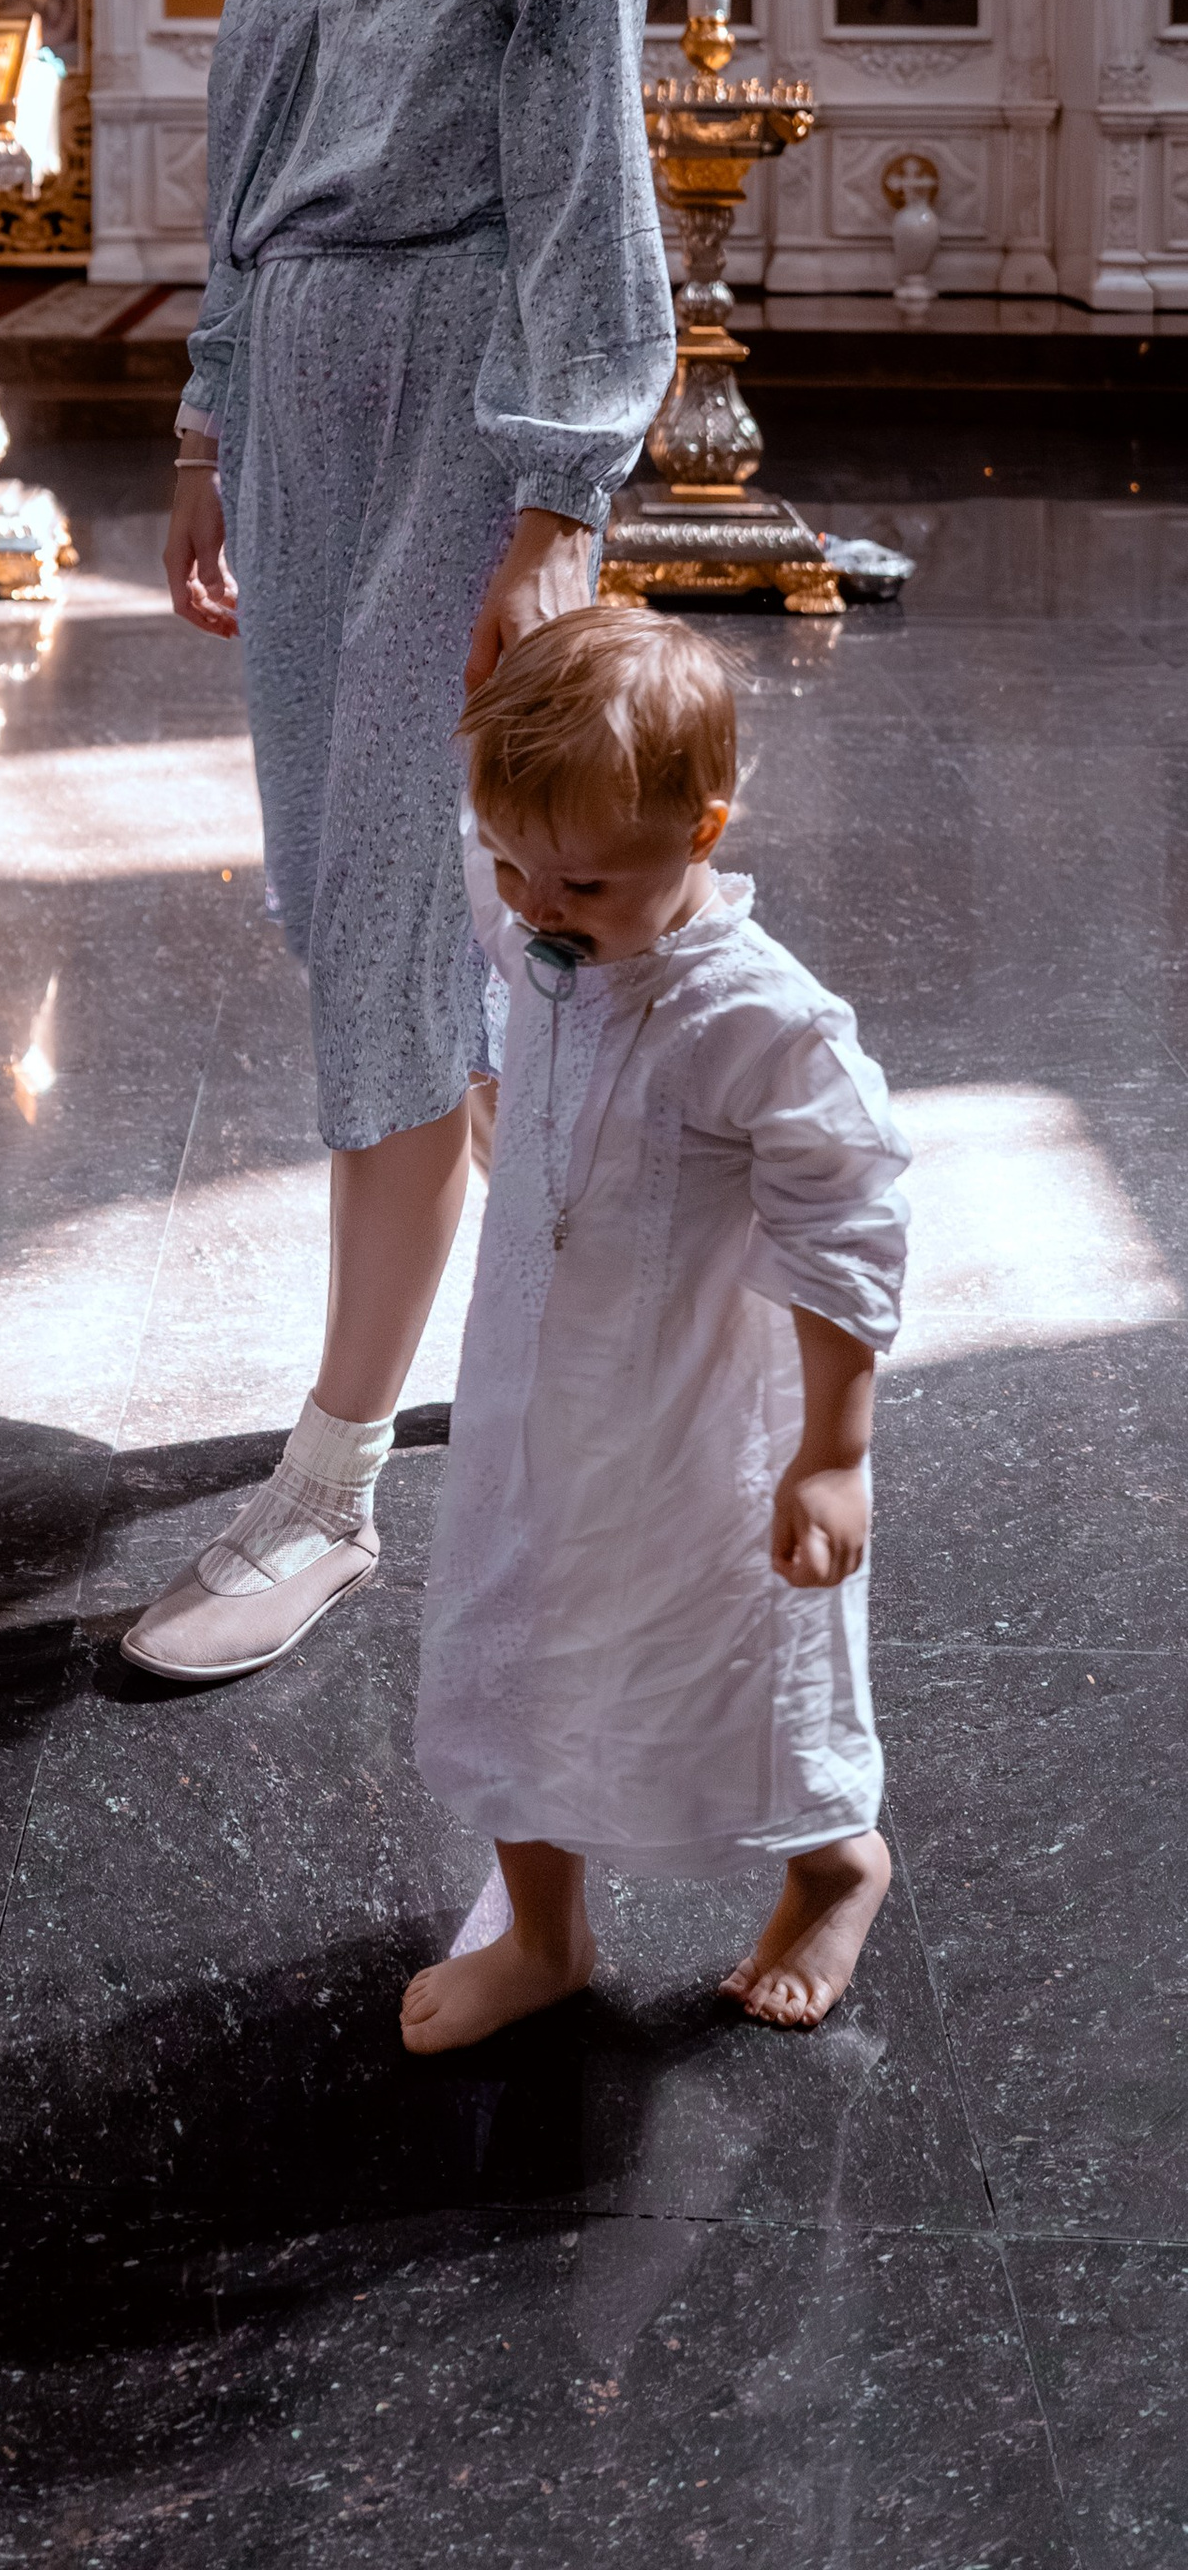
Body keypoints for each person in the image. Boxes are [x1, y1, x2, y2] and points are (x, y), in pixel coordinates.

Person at [122, 0, 676, 1687]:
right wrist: (199, 418)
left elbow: (582, 195)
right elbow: (244, 155)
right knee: (349, 895)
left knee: (380, 909)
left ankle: (326, 1486)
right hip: (297, 396)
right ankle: (520, 1324)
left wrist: (554, 510)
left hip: (461, 387)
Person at [403, 610, 908, 2048]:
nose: (532, 905)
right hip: (531, 1393)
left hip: (697, 1420)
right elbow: (504, 910)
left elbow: (849, 1222)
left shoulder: (759, 1020)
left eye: (580, 881)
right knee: (510, 1639)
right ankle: (547, 1938)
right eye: (508, 862)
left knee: (738, 1658)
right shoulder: (543, 898)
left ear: (704, 832)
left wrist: (833, 1451)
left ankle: (830, 1864)